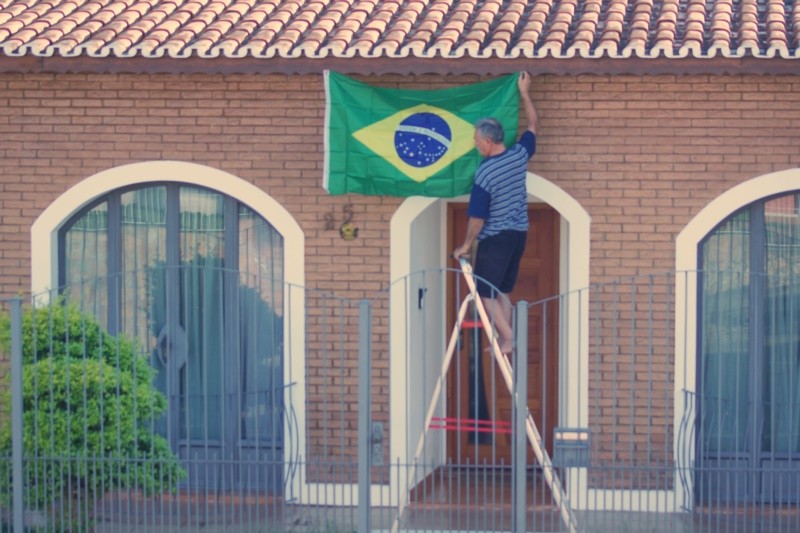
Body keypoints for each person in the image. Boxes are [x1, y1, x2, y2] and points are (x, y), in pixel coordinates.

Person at [452, 71, 539, 355]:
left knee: (483, 293)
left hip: (496, 238)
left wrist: (466, 245)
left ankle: (509, 336)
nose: (476, 144)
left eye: (477, 140)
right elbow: (534, 127)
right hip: (518, 235)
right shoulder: (519, 156)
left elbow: (478, 217)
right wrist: (525, 93)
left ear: (488, 142)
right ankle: (507, 340)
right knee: (502, 290)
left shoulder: (485, 172)